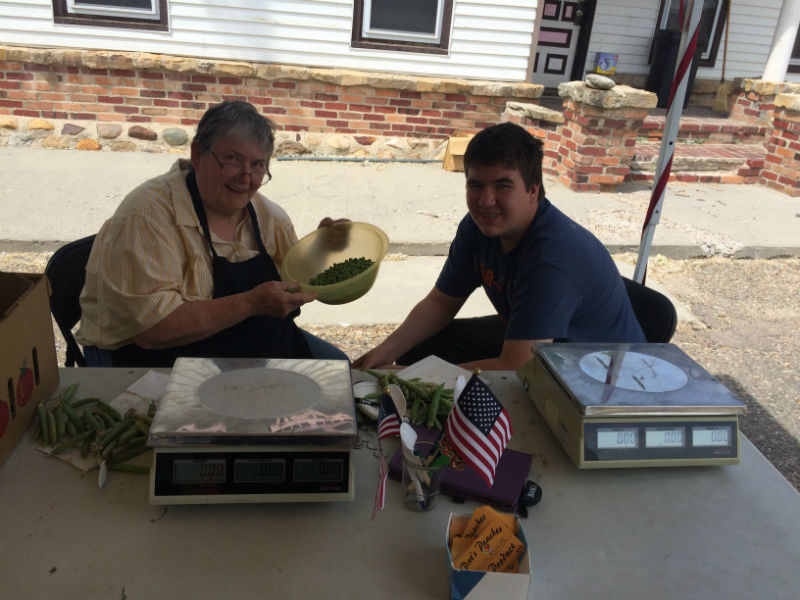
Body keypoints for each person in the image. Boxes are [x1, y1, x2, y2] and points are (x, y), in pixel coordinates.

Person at [353, 122, 645, 372]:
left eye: (503, 186)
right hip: (539, 345)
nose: (485, 200)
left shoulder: (553, 256)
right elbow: (441, 303)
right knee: (426, 348)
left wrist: (411, 376)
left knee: (427, 371)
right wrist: (385, 353)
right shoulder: (478, 227)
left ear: (534, 191)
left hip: (599, 375)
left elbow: (515, 367)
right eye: (475, 185)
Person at [76, 100, 348, 367]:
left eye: (257, 165)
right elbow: (153, 329)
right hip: (161, 359)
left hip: (247, 349)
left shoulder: (270, 217)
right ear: (197, 154)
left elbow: (298, 280)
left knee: (342, 372)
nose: (246, 177)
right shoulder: (147, 216)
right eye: (233, 159)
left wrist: (323, 250)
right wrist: (250, 303)